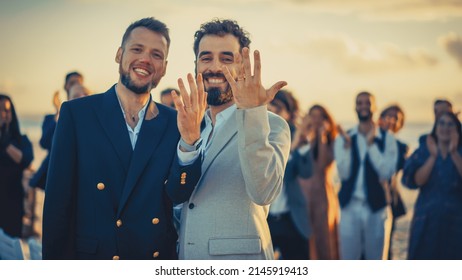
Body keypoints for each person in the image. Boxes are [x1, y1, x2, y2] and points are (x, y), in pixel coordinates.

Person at [42, 17, 205, 260]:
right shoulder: (77, 114)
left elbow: (178, 194)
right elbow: (57, 206)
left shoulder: (175, 122)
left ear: (165, 67)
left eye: (156, 54)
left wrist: (190, 142)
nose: (146, 59)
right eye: (137, 49)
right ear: (119, 54)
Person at [171, 19, 290, 260]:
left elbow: (263, 192)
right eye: (206, 58)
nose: (215, 67)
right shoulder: (189, 125)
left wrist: (252, 111)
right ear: (196, 65)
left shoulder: (272, 124)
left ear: (243, 67)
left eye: (226, 59)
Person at [334, 91, 397, 260]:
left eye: (367, 103)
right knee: (348, 260)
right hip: (350, 207)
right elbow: (344, 173)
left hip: (377, 208)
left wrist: (371, 146)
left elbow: (386, 172)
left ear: (374, 107)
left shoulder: (387, 138)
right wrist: (347, 149)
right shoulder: (345, 138)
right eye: (359, 103)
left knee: (376, 260)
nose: (363, 107)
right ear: (355, 107)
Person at [402, 112, 462, 259]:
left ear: (457, 129)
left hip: (456, 223)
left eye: (450, 124)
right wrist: (433, 157)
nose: (445, 128)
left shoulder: (460, 152)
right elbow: (416, 181)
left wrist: (454, 153)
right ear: (435, 127)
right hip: (426, 221)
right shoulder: (424, 151)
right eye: (441, 123)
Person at [267, 89, 312, 260]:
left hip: (291, 219)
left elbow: (307, 172)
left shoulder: (298, 136)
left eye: (277, 108)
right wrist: (292, 149)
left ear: (289, 113)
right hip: (264, 220)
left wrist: (303, 144)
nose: (271, 111)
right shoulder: (256, 135)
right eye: (267, 107)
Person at [297, 104, 340, 260]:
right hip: (303, 195)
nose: (315, 120)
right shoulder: (303, 138)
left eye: (319, 116)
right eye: (312, 115)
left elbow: (322, 165)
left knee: (324, 238)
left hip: (323, 196)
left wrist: (321, 137)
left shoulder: (331, 141)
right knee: (306, 240)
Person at [29, 71, 85, 191]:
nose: (75, 85)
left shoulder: (88, 115)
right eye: (72, 83)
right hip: (56, 170)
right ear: (65, 86)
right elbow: (44, 143)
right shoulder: (51, 118)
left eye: (79, 83)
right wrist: (60, 112)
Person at [0, 94, 34, 238]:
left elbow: (25, 160)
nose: (3, 114)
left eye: (6, 110)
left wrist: (4, 140)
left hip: (12, 202)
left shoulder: (21, 140)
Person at [378, 104, 408, 259]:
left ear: (400, 124)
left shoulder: (402, 147)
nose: (390, 120)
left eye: (395, 118)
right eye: (387, 116)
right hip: (368, 200)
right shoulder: (370, 140)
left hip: (389, 201)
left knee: (386, 248)